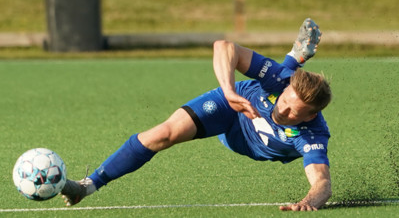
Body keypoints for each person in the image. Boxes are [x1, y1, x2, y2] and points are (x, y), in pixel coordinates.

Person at [61, 18, 332, 211]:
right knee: (163, 134)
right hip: (233, 106)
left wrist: (308, 202)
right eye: (284, 101)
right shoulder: (280, 81)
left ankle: (295, 56)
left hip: (244, 142)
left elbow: (322, 182)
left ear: (310, 117)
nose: (281, 110)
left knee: (283, 76)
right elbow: (223, 46)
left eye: (292, 112)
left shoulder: (312, 134)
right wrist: (229, 92)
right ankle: (86, 186)